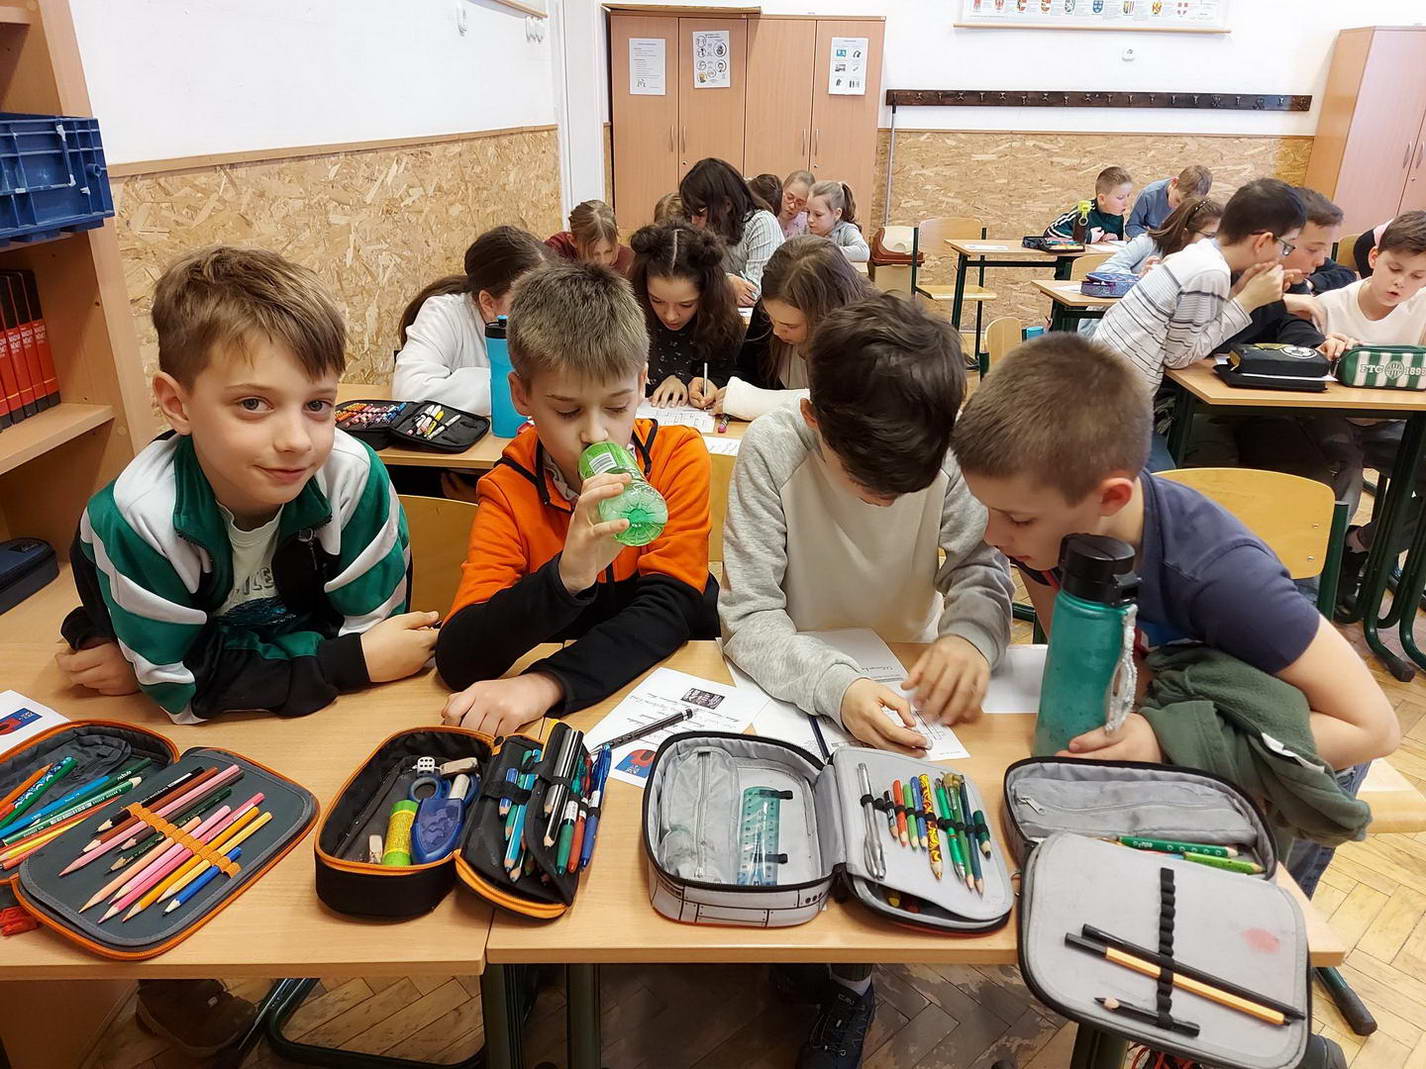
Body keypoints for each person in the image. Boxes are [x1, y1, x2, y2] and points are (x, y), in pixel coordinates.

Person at [56, 246, 436, 1057]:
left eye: (320, 404)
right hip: (215, 695)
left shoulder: (353, 474)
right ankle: (175, 991)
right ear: (176, 402)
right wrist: (334, 662)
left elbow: (382, 645)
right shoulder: (139, 516)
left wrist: (182, 663)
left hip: (261, 678)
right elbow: (193, 697)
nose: (297, 440)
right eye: (254, 404)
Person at [720, 291, 1012, 1069]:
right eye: (867, 483)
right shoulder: (775, 447)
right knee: (792, 829)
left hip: (904, 678)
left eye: (906, 487)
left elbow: (983, 566)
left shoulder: (944, 455)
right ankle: (805, 955)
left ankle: (850, 983)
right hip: (793, 684)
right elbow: (748, 616)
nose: (887, 501)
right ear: (815, 420)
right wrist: (840, 687)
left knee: (889, 835)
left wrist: (971, 637)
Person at [952, 332, 1399, 780]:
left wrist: (1164, 743)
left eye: (1018, 518)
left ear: (1109, 498)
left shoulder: (1225, 578)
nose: (993, 536)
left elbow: (1373, 731)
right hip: (1175, 731)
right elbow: (1092, 664)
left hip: (1294, 769)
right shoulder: (1051, 533)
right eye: (988, 510)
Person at [434, 261, 718, 735]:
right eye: (567, 411)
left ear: (642, 383)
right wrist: (567, 577)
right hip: (573, 718)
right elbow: (460, 657)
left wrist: (546, 683)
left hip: (654, 688)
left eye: (617, 406)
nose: (595, 433)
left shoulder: (676, 457)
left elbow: (672, 609)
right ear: (521, 395)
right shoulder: (509, 488)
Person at [1094, 177, 1303, 467]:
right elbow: (1179, 356)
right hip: (1112, 414)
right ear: (1264, 241)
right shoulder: (1211, 272)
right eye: (1287, 246)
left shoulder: (1202, 253)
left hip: (1102, 389)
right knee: (1171, 483)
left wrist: (1238, 291)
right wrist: (1246, 303)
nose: (1284, 256)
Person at [1297, 211, 1426, 606]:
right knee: (1343, 478)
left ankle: (1357, 548)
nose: (1402, 283)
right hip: (1330, 421)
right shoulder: (1329, 305)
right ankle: (1316, 580)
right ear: (1374, 258)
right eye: (1395, 269)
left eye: (1418, 276)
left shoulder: (1422, 306)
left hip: (1392, 424)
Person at [1187, 188, 1356, 478]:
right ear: (1280, 240)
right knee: (1214, 468)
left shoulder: (1292, 280)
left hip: (1259, 403)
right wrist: (1275, 303)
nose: (1320, 261)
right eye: (1312, 249)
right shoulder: (1219, 273)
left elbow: (1294, 325)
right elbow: (1206, 343)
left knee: (1311, 476)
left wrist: (1317, 346)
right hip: (1197, 401)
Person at [702, 235, 873, 420]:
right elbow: (746, 370)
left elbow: (846, 407)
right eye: (771, 318)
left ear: (824, 315)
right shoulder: (769, 311)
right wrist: (721, 386)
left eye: (790, 326)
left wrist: (754, 401)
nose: (776, 331)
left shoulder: (867, 340)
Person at [391, 225, 549, 414]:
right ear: (488, 303)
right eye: (527, 301)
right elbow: (410, 393)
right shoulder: (445, 313)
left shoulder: (552, 316)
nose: (541, 312)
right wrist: (509, 386)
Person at [628, 220, 744, 408]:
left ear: (706, 295)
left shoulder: (722, 323)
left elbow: (735, 374)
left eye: (685, 305)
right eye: (657, 300)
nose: (670, 316)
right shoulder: (629, 318)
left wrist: (710, 383)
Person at [681, 157, 784, 306]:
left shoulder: (761, 223)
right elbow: (687, 275)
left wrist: (718, 281)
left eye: (700, 214)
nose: (693, 222)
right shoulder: (702, 227)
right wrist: (727, 281)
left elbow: (753, 294)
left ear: (726, 205)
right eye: (690, 213)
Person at [1100, 196, 1222, 277]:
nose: (1215, 243)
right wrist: (1139, 278)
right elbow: (1105, 270)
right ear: (1185, 233)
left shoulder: (1208, 261)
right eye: (1209, 236)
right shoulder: (1149, 242)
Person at [545, 199, 634, 277]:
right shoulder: (555, 250)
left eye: (608, 251)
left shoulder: (627, 261)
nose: (603, 262)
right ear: (573, 241)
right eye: (594, 254)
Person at [1045, 166, 1133, 245]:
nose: (1126, 203)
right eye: (1120, 197)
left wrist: (1115, 240)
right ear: (1102, 199)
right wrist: (1086, 237)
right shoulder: (1084, 213)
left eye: (1128, 196)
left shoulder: (1118, 218)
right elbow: (1050, 232)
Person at [1125, 164, 1213, 238]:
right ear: (1174, 182)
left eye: (1185, 206)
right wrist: (1151, 238)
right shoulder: (1149, 195)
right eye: (1177, 200)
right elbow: (1132, 226)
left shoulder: (1200, 205)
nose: (1178, 208)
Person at [805, 181, 869, 262]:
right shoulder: (805, 230)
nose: (810, 219)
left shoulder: (846, 230)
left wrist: (825, 252)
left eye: (818, 215)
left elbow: (864, 252)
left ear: (837, 214)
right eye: (808, 212)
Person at [779, 169, 815, 239]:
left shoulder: (807, 224)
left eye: (799, 203)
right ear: (782, 191)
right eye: (789, 198)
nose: (792, 206)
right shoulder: (769, 214)